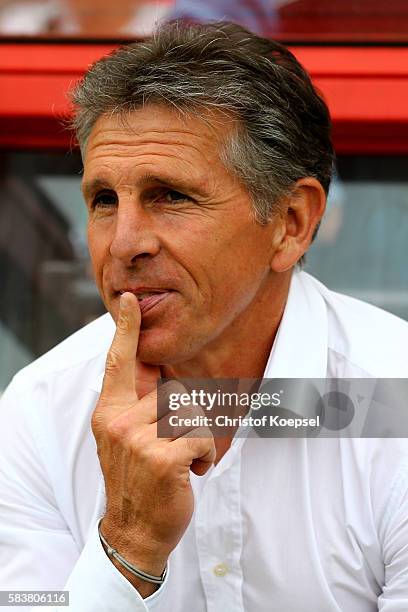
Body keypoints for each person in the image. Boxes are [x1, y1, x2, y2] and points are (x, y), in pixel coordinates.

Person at [1, 21, 408, 612]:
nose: (123, 244)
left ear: (291, 222)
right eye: (104, 200)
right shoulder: (39, 411)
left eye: (170, 195)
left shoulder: (393, 397)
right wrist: (129, 545)